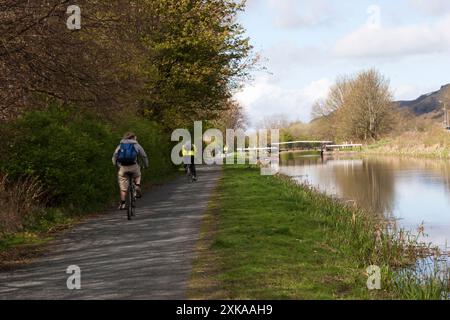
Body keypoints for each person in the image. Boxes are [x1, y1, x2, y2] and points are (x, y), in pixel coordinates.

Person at [112, 132, 149, 210]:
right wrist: (146, 165)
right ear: (133, 137)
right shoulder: (136, 145)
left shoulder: (120, 145)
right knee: (138, 174)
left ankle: (123, 203)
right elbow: (144, 156)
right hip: (133, 166)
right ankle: (137, 186)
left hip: (123, 168)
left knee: (123, 187)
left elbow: (114, 156)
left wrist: (116, 165)